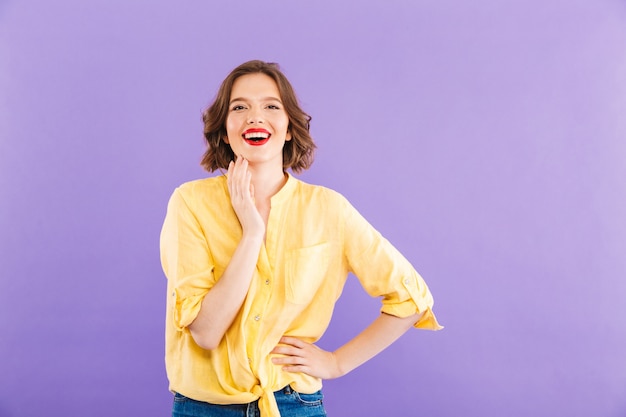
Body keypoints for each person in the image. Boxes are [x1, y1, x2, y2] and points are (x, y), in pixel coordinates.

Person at [160, 60, 442, 417]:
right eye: (239, 107)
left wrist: (336, 363)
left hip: (293, 404)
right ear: (225, 128)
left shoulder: (328, 209)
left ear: (290, 128)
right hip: (204, 407)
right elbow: (206, 333)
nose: (254, 117)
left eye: (271, 106)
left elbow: (411, 299)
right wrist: (252, 233)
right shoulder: (190, 203)